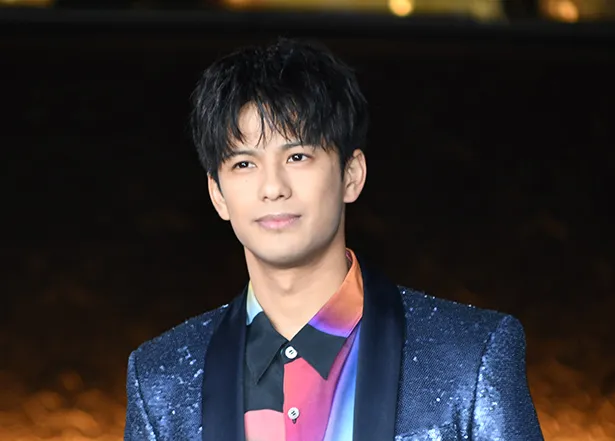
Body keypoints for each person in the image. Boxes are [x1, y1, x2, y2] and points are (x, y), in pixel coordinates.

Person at [124, 38, 544, 441]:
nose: (273, 188)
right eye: (244, 164)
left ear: (351, 175)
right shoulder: (160, 379)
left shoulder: (470, 357)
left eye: (297, 157)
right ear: (217, 194)